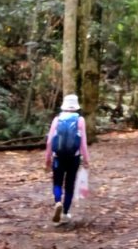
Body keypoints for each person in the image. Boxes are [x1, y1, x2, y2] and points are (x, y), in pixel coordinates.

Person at [45, 94, 90, 223]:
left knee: (57, 182)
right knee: (69, 185)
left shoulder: (57, 119)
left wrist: (47, 159)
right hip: (73, 158)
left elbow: (49, 142)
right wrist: (86, 160)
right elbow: (83, 143)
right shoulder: (80, 120)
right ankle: (65, 213)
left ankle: (58, 202)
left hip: (58, 157)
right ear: (76, 106)